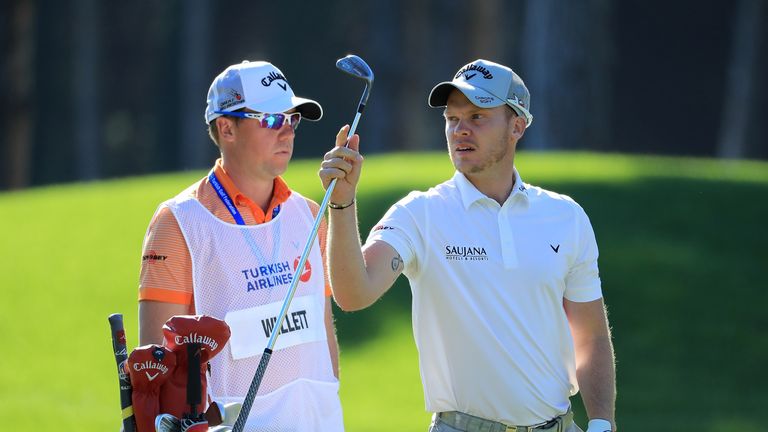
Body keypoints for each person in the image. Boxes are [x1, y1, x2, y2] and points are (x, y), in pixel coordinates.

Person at [319, 59, 616, 432]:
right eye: (452, 119)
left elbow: (591, 335)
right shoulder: (420, 213)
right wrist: (342, 204)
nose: (460, 130)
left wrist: (602, 422)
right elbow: (353, 293)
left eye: (477, 117)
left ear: (517, 126)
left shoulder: (565, 216)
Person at [138, 60, 344, 431]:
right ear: (226, 128)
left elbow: (322, 339)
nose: (287, 131)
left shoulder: (311, 214)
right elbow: (158, 372)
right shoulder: (178, 222)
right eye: (271, 119)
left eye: (292, 119)